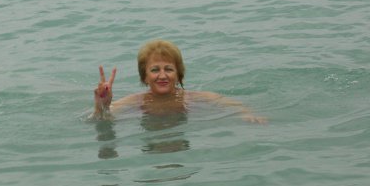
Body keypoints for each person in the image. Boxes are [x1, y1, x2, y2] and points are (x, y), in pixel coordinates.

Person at [92, 39, 266, 123]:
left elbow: (230, 104)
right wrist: (102, 106)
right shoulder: (136, 102)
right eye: (155, 70)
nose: (162, 76)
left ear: (178, 74)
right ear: (145, 76)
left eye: (168, 69)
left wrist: (247, 113)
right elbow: (98, 120)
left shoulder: (192, 98)